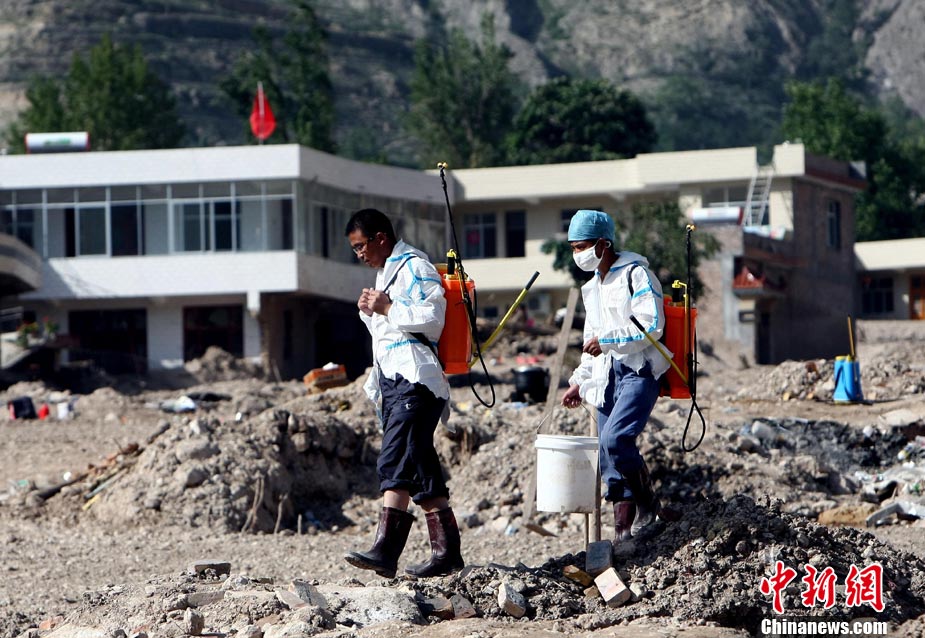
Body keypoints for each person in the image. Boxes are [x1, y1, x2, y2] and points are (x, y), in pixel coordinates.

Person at [342, 208, 464, 579]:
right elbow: (389, 332)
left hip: (416, 377)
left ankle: (385, 550)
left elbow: (433, 318)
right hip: (394, 379)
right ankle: (447, 553)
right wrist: (371, 312)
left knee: (395, 455)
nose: (359, 254)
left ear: (381, 238)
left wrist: (387, 306)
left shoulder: (415, 266)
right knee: (419, 463)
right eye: (355, 249)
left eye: (361, 246)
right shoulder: (386, 273)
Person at [560, 209, 676, 545]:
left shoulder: (636, 275)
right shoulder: (592, 287)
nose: (577, 254)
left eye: (581, 247)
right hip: (605, 374)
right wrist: (579, 380)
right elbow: (590, 340)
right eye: (573, 248)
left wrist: (608, 341)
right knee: (607, 455)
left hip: (638, 369)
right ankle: (623, 535)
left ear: (603, 244)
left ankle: (649, 505)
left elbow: (651, 326)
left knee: (616, 439)